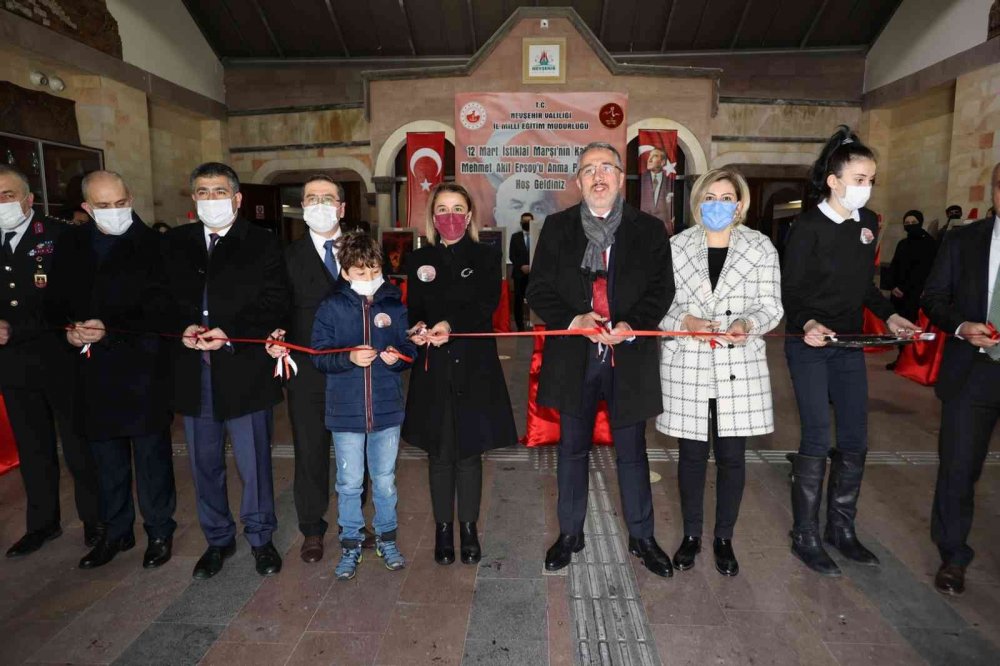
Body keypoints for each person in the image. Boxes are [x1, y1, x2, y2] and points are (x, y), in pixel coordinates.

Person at [527, 142, 675, 577]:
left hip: (628, 357)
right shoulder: (557, 229)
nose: (597, 176)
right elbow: (537, 290)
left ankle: (642, 537)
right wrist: (573, 318)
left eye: (605, 167)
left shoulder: (648, 230)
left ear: (619, 176)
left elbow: (661, 290)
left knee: (633, 452)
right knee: (572, 451)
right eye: (588, 169)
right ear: (578, 181)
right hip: (575, 356)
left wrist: (631, 323)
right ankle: (570, 533)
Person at [782, 126, 918, 577]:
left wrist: (892, 315)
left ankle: (842, 528)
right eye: (859, 178)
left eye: (871, 179)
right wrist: (809, 323)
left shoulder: (868, 223)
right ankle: (806, 534)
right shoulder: (806, 227)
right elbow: (791, 294)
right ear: (834, 181)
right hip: (811, 344)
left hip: (849, 346)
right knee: (818, 438)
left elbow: (865, 287)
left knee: (856, 438)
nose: (867, 187)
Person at [163, 162, 289, 579]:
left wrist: (231, 332)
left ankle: (260, 537)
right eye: (203, 191)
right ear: (193, 198)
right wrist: (178, 326)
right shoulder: (175, 243)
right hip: (193, 371)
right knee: (203, 463)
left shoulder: (263, 243)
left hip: (243, 370)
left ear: (237, 199)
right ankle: (217, 538)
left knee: (253, 462)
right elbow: (157, 300)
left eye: (219, 191)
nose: (210, 199)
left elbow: (275, 301)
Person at [45, 171, 177, 570]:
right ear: (87, 208)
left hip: (141, 368)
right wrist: (68, 331)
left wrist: (110, 327)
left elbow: (163, 307)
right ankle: (116, 532)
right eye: (104, 206)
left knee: (152, 458)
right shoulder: (72, 244)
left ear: (130, 197)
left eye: (121, 203)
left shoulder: (154, 244)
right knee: (106, 460)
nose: (115, 212)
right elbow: (53, 301)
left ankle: (158, 530)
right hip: (92, 372)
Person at [657, 168, 783, 577]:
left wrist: (747, 324)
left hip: (737, 363)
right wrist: (685, 320)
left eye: (726, 197)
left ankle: (723, 537)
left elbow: (772, 305)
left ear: (740, 204)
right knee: (691, 455)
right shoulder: (676, 246)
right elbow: (658, 305)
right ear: (697, 202)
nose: (717, 204)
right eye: (709, 197)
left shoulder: (760, 247)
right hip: (689, 362)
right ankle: (691, 535)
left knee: (732, 457)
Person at [403, 182, 517, 566]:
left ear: (468, 216)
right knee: (439, 452)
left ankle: (468, 528)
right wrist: (417, 327)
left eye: (457, 209)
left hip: (473, 365)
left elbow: (486, 304)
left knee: (469, 452)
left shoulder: (486, 257)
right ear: (432, 217)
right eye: (442, 209)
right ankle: (443, 530)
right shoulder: (418, 260)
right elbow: (413, 307)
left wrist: (450, 324)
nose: (449, 216)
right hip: (432, 367)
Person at [265, 175, 376, 564]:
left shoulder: (363, 250)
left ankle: (354, 523)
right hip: (308, 371)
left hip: (354, 369)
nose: (319, 204)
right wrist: (274, 331)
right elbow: (277, 304)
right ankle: (312, 528)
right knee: (310, 451)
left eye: (327, 198)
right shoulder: (288, 255)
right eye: (311, 198)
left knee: (355, 454)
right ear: (303, 207)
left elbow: (384, 300)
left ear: (342, 208)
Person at [0, 165, 102, 558]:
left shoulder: (62, 236)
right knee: (32, 448)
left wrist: (18, 326)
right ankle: (42, 525)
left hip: (60, 358)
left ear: (29, 200)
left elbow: (75, 299)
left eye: (9, 195)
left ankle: (95, 520)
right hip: (13, 364)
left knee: (79, 445)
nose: (3, 204)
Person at [304, 231, 417, 580]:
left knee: (384, 480)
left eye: (373, 271)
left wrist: (396, 358)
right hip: (346, 410)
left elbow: (408, 350)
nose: (368, 279)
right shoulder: (332, 306)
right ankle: (350, 543)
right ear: (345, 272)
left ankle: (387, 538)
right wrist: (349, 358)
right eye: (360, 272)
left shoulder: (393, 303)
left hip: (386, 408)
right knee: (349, 483)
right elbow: (319, 355)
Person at [921, 162, 1000, 596]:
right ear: (995, 191)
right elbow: (933, 297)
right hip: (973, 373)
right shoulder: (962, 240)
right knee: (958, 468)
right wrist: (961, 326)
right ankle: (953, 555)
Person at [885, 209, 937, 370]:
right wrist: (893, 286)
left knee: (913, 327)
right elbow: (894, 266)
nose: (909, 226)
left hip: (916, 293)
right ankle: (901, 356)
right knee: (900, 328)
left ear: (920, 223)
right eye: (906, 223)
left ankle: (913, 361)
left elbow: (924, 270)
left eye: (913, 223)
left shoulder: (929, 244)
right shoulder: (903, 243)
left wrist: (905, 287)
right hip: (898, 294)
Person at [639, 147, 675, 236]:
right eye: (649, 156)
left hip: (663, 232)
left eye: (654, 156)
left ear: (662, 162)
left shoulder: (670, 183)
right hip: (642, 231)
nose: (649, 159)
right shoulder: (640, 181)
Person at [509, 212, 532, 331]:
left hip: (534, 274)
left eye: (529, 221)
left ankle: (534, 323)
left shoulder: (538, 236)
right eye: (524, 221)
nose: (526, 223)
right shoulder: (515, 237)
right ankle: (520, 326)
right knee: (518, 301)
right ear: (520, 223)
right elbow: (512, 255)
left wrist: (531, 266)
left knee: (534, 299)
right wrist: (521, 266)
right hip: (519, 274)